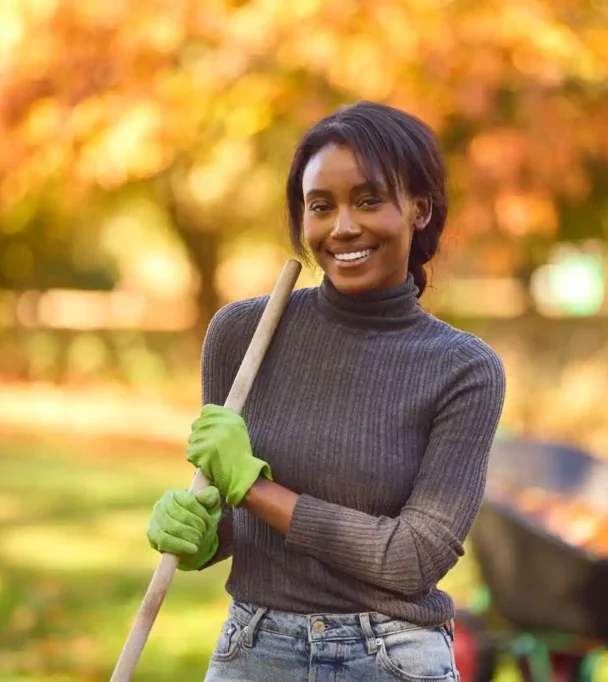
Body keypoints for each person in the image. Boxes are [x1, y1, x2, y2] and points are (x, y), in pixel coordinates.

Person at [146, 100, 506, 681]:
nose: (343, 227)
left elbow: (414, 557)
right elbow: (241, 520)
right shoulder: (243, 335)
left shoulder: (463, 369)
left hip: (390, 657)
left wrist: (254, 488)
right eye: (321, 206)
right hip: (255, 648)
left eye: (368, 200)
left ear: (418, 209)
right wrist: (203, 536)